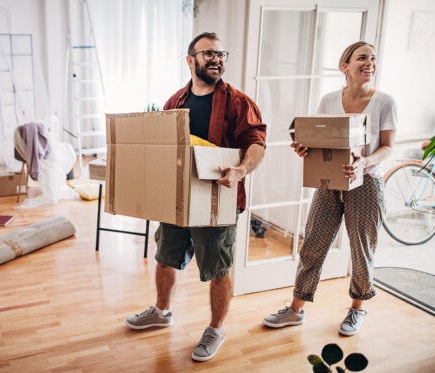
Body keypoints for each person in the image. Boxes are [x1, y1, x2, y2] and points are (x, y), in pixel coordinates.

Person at [125, 32, 266, 361]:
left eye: (220, 54)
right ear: (191, 61)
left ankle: (216, 328)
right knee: (165, 256)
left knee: (218, 267)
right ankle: (161, 312)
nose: (217, 59)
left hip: (219, 199)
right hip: (178, 199)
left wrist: (242, 169)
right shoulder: (175, 101)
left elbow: (257, 142)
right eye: (209, 54)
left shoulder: (238, 102)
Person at [263, 41, 397, 336]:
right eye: (362, 58)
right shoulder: (328, 100)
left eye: (373, 59)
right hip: (329, 184)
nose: (369, 63)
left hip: (366, 183)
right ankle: (295, 310)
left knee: (362, 250)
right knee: (313, 244)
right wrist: (304, 149)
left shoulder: (385, 102)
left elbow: (388, 147)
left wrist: (365, 162)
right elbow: (319, 140)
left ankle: (357, 309)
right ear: (345, 66)